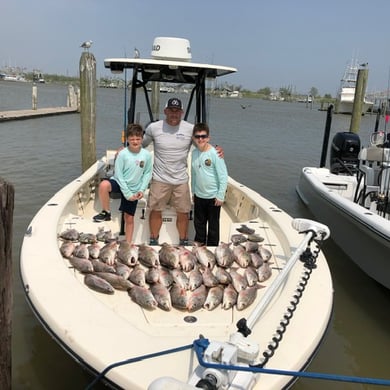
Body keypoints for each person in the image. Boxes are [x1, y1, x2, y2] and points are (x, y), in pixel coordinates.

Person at [142, 97, 224, 246]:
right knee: (155, 209)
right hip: (159, 179)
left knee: (184, 212)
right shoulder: (154, 127)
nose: (174, 114)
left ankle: (183, 241)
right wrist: (125, 148)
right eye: (171, 111)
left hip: (181, 180)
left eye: (177, 111)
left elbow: (202, 143)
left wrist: (216, 149)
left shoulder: (189, 129)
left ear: (182, 112)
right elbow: (141, 144)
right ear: (165, 111)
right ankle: (153, 240)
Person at [93, 123, 152, 243]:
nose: (135, 141)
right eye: (132, 139)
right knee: (104, 185)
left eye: (138, 139)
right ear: (127, 140)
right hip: (120, 183)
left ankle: (128, 242)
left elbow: (147, 174)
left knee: (129, 218)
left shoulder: (146, 155)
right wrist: (127, 194)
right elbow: (119, 175)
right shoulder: (123, 154)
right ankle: (106, 212)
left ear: (142, 139)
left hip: (135, 188)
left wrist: (141, 190)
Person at [191, 123, 228, 246]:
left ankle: (212, 250)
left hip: (213, 198)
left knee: (213, 227)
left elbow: (223, 176)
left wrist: (220, 195)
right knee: (199, 225)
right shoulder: (194, 153)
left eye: (203, 136)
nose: (200, 139)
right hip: (199, 196)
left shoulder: (215, 153)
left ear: (208, 138)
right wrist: (193, 192)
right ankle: (200, 249)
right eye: (197, 136)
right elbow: (194, 174)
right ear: (193, 138)